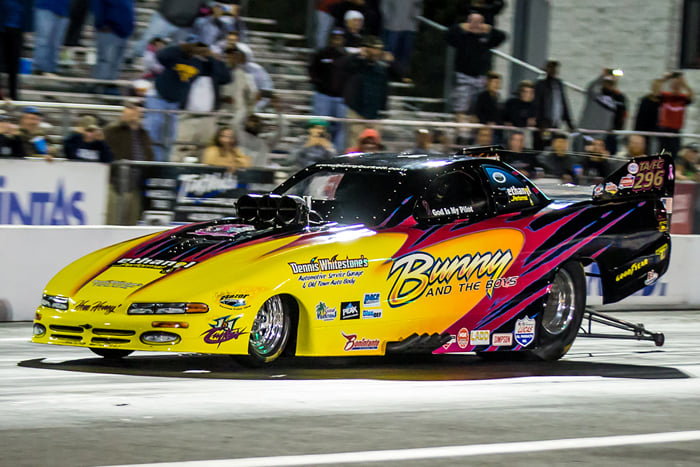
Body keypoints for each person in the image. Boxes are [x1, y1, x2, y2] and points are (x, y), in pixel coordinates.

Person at [143, 40, 220, 161]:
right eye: (196, 46)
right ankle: (149, 163)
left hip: (174, 104)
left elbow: (222, 75)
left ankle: (162, 166)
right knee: (153, 133)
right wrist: (182, 47)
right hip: (158, 98)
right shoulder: (175, 56)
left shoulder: (199, 63)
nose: (198, 49)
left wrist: (210, 56)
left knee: (170, 139)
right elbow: (161, 55)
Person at [445, 13, 506, 132]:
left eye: (479, 22)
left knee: (479, 106)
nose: (476, 25)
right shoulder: (462, 36)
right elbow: (448, 36)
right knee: (461, 104)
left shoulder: (485, 38)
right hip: (463, 75)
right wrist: (462, 26)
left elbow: (502, 37)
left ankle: (475, 132)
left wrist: (488, 28)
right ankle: (461, 131)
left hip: (480, 76)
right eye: (473, 22)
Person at [338, 35, 401, 147]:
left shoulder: (382, 67)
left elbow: (398, 76)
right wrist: (358, 56)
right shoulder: (357, 63)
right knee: (355, 145)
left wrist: (392, 62)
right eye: (374, 48)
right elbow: (341, 66)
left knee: (374, 145)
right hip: (357, 111)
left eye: (379, 48)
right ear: (367, 48)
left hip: (375, 112)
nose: (377, 52)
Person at [128, 0, 206, 62]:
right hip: (165, 17)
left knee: (176, 53)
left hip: (186, 25)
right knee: (147, 41)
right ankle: (132, 57)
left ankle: (162, 71)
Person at [309, 29, 347, 150]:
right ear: (330, 39)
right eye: (335, 38)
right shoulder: (321, 54)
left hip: (341, 98)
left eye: (340, 38)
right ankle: (318, 149)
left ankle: (335, 152)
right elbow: (312, 70)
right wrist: (319, 84)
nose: (337, 41)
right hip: (323, 96)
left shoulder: (347, 57)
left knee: (340, 126)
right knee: (320, 124)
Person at [92, 0, 135, 88]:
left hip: (124, 30)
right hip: (109, 29)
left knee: (116, 62)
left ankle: (110, 85)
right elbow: (97, 6)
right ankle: (100, 86)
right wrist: (101, 24)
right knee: (106, 60)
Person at [534, 60, 574, 151]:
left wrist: (569, 123)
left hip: (555, 124)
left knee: (553, 148)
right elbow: (537, 104)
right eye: (551, 68)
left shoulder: (559, 84)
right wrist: (539, 122)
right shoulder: (541, 84)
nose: (554, 71)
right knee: (542, 146)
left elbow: (563, 104)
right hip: (544, 124)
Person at [0, 0, 32, 100]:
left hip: (17, 30)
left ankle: (14, 95)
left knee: (14, 65)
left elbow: (29, 10)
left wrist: (28, 29)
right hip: (2, 30)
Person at [658, 71, 694, 159]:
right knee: (662, 153)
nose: (676, 85)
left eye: (678, 84)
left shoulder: (683, 98)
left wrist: (684, 84)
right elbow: (656, 91)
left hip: (676, 130)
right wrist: (664, 79)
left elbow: (692, 95)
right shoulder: (666, 96)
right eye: (674, 83)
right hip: (664, 128)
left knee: (674, 154)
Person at [380, 0, 422, 75]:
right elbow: (385, 5)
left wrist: (415, 22)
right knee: (390, 54)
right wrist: (388, 20)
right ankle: (385, 77)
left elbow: (418, 6)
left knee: (405, 56)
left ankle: (400, 77)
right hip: (393, 28)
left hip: (409, 28)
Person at [32, 0, 71, 76]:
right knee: (43, 40)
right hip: (46, 7)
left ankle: (51, 69)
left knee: (56, 43)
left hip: (63, 10)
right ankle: (38, 69)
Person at [634, 79, 662, 154]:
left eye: (658, 87)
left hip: (657, 133)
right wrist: (636, 132)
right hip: (644, 132)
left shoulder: (663, 101)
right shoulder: (645, 100)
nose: (657, 88)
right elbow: (639, 118)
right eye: (655, 86)